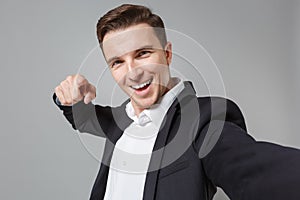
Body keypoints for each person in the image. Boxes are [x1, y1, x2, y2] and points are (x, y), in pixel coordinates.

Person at [53, 4, 300, 200]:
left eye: (142, 54)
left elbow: (252, 169)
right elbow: (83, 118)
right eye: (117, 62)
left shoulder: (204, 121)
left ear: (167, 54)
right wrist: (67, 95)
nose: (132, 73)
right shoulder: (120, 119)